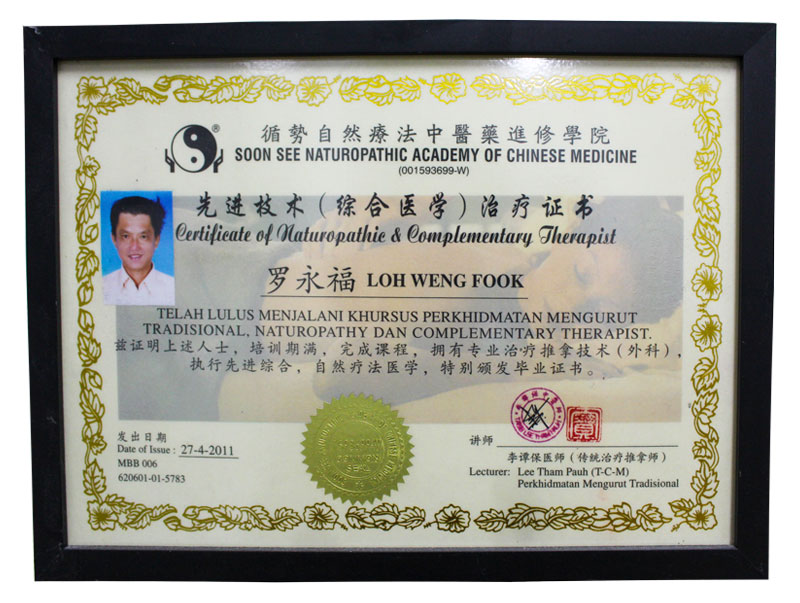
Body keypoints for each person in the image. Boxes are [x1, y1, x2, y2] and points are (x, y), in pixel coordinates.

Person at [103, 195, 175, 305]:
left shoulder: (173, 288)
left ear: (156, 240)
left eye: (143, 237)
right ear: (114, 239)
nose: (134, 247)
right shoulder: (101, 287)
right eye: (126, 236)